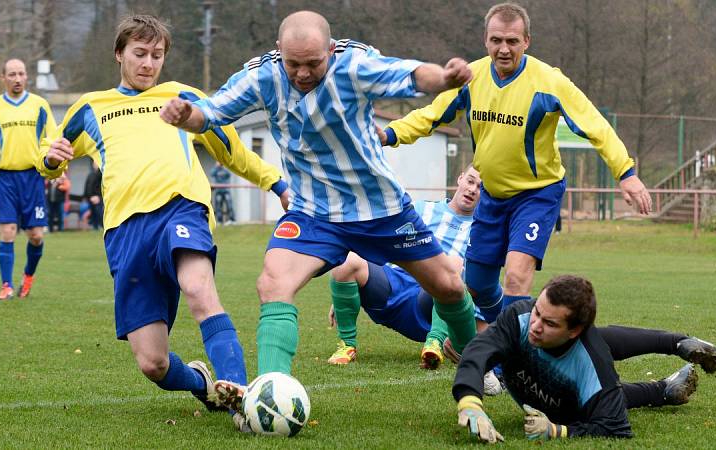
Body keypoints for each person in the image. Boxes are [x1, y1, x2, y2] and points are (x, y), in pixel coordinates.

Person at [161, 11, 479, 408]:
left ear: (330, 49)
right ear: (279, 53)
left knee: (449, 285)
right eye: (294, 64)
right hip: (313, 211)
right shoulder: (263, 76)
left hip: (381, 208)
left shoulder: (355, 66)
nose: (303, 73)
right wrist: (185, 116)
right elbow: (210, 113)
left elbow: (412, 75)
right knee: (273, 282)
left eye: (313, 63)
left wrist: (445, 79)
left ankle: (478, 367)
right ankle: (270, 394)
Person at [37, 15, 289, 430]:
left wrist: (276, 183)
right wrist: (49, 160)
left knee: (199, 289)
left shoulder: (182, 98)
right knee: (153, 363)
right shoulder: (90, 108)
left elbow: (230, 150)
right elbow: (52, 157)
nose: (148, 63)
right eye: (139, 54)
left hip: (181, 210)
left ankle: (244, 401)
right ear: (119, 54)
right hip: (125, 233)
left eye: (157, 55)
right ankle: (203, 383)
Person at [381, 3, 653, 325]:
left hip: (536, 195)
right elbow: (430, 116)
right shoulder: (472, 77)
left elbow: (596, 125)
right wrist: (388, 133)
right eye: (496, 40)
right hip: (492, 196)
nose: (504, 49)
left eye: (512, 41)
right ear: (486, 40)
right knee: (478, 283)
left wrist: (626, 173)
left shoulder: (549, 82)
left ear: (527, 41)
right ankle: (507, 333)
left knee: (515, 276)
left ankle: (511, 362)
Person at [453, 274, 716, 442]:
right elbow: (479, 350)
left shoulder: (594, 365)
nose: (535, 324)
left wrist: (558, 431)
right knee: (600, 355)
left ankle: (663, 386)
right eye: (538, 311)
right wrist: (470, 402)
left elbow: (615, 426)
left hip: (569, 405)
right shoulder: (520, 318)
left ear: (574, 330)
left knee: (604, 389)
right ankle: (673, 354)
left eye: (549, 322)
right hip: (560, 367)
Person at [327, 165, 481, 368]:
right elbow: (382, 242)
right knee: (348, 260)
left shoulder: (481, 231)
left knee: (452, 265)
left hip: (432, 301)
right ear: (460, 179)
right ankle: (347, 345)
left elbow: (480, 283)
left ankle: (435, 342)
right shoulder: (421, 208)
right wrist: (343, 294)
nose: (472, 189)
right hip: (392, 284)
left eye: (481, 188)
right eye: (470, 181)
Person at [0, 58, 57, 300]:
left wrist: (59, 167)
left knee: (36, 236)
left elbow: (52, 139)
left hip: (34, 177)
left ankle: (27, 278)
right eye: (12, 74)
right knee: (8, 231)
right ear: (3, 78)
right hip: (5, 178)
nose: (17, 79)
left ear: (27, 77)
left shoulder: (40, 105)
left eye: (21, 74)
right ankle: (6, 285)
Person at [83, 160, 103, 230]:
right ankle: (95, 227)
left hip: (97, 198)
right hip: (90, 198)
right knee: (93, 213)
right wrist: (86, 196)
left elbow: (101, 187)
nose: (94, 164)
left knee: (99, 213)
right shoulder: (90, 174)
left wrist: (99, 197)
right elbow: (86, 186)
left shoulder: (100, 174)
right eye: (94, 163)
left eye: (96, 163)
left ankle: (101, 226)